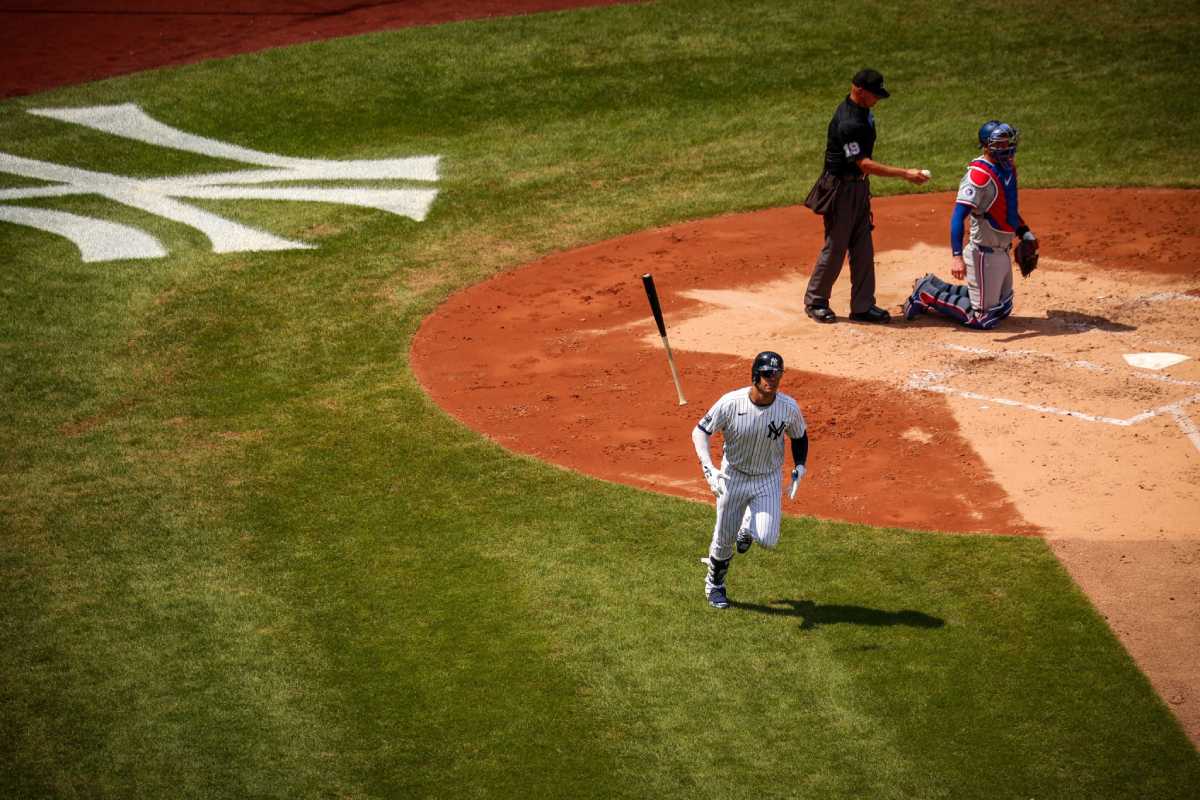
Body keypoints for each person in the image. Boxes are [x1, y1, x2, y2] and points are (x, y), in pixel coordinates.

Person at [804, 68, 930, 325]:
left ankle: (862, 305)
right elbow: (864, 164)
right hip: (840, 189)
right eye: (874, 95)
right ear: (859, 90)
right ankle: (816, 301)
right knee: (836, 246)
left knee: (862, 247)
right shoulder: (848, 122)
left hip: (858, 187)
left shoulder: (864, 111)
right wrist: (906, 174)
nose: (877, 100)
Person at [691, 351, 809, 609]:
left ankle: (748, 529)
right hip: (733, 476)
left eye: (777, 375)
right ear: (755, 375)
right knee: (723, 539)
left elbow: (799, 436)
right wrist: (709, 467)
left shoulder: (787, 407)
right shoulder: (731, 403)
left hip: (768, 478)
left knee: (768, 538)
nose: (773, 380)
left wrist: (800, 465)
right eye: (768, 374)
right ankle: (715, 585)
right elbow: (700, 432)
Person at [902, 120, 1037, 329]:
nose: (1006, 147)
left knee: (1003, 308)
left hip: (1002, 251)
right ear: (986, 146)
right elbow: (958, 217)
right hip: (983, 254)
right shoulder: (978, 177)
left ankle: (933, 285)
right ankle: (926, 294)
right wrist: (957, 257)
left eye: (1007, 142)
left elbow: (1007, 210)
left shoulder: (1008, 168)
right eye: (999, 144)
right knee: (983, 318)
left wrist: (1025, 233)